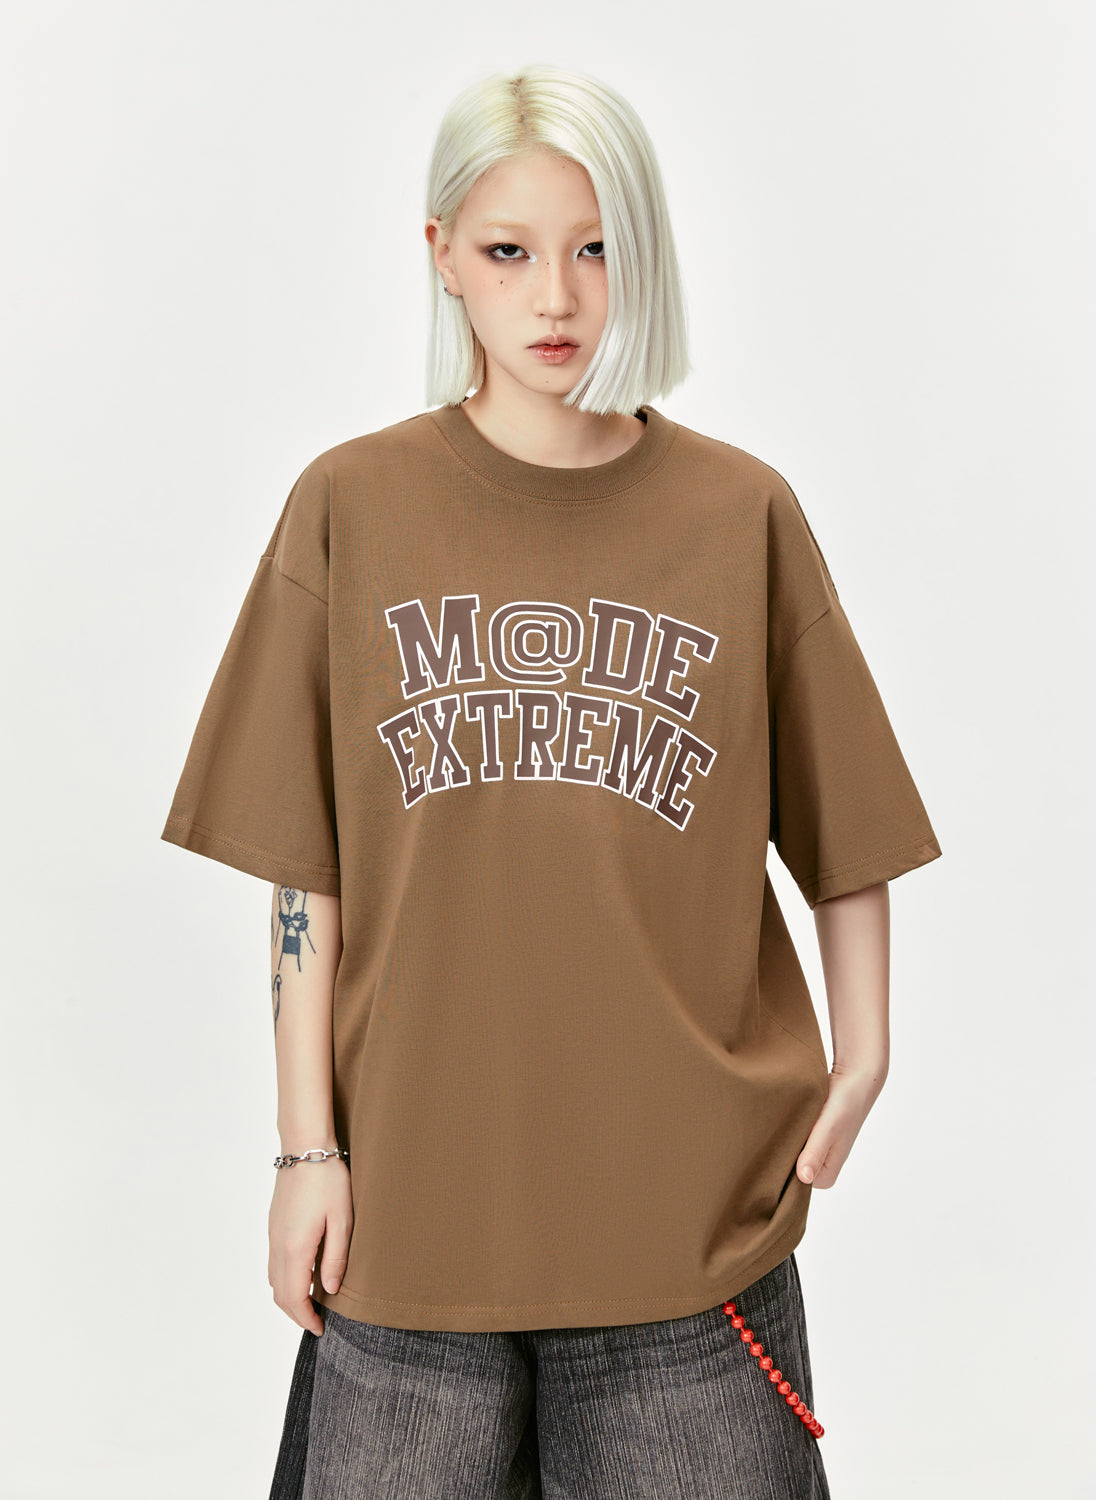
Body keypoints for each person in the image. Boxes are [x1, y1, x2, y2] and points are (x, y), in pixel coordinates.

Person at [162, 63, 942, 1500]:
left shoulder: (740, 514)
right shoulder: (350, 506)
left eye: (595, 248)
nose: (557, 298)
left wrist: (868, 1049)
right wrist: (302, 1152)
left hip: (688, 1239)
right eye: (510, 251)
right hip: (408, 1234)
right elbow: (302, 871)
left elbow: (852, 829)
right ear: (442, 255)